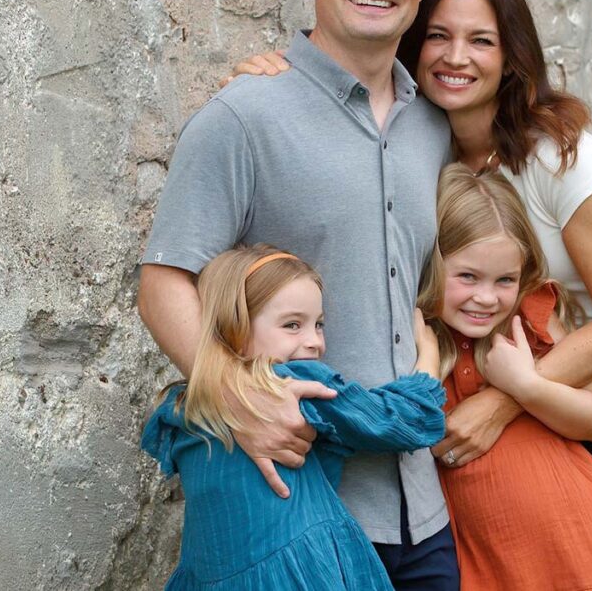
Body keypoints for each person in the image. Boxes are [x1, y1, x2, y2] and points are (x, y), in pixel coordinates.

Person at [229, 0, 592, 591]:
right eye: (439, 35)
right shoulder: (420, 142)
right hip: (508, 372)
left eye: (481, 40)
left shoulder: (558, 152)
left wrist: (502, 402)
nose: (456, 56)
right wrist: (274, 78)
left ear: (512, 56)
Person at [138, 0, 459, 589]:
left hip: (422, 513)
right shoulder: (244, 116)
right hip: (297, 519)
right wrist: (237, 402)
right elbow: (163, 282)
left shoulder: (434, 128)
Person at [414, 164, 592, 590]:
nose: (486, 297)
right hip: (501, 567)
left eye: (505, 280)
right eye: (467, 277)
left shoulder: (529, 317)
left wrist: (524, 386)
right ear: (432, 266)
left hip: (589, 555)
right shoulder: (419, 341)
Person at [142, 245, 446, 590]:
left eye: (318, 325)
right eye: (292, 325)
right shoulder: (292, 387)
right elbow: (404, 421)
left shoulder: (185, 407)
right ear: (235, 328)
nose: (314, 341)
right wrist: (429, 359)